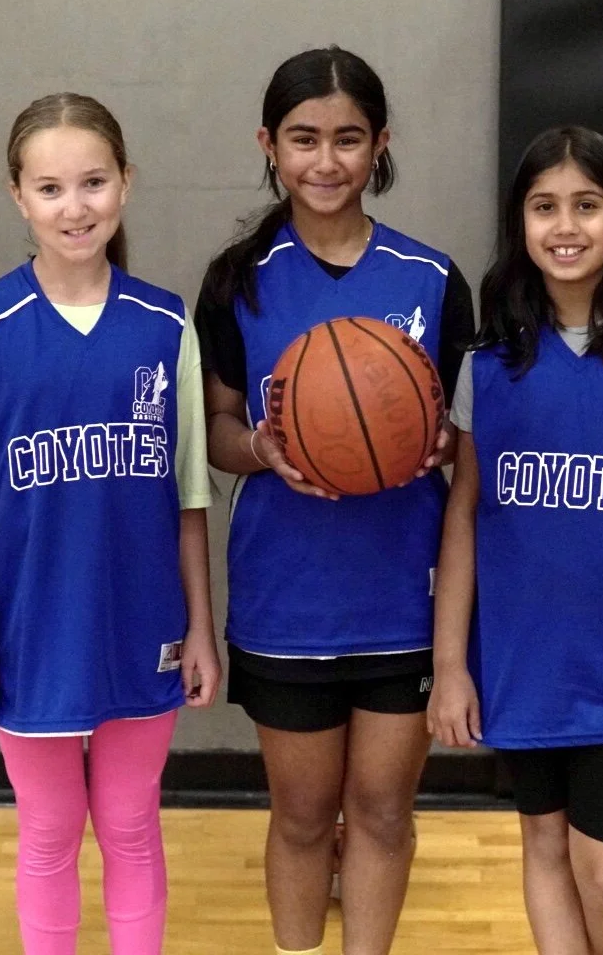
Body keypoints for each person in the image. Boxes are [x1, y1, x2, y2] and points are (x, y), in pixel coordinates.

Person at [0, 93, 219, 955]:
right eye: (50, 188)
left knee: (130, 826)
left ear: (126, 185)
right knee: (48, 834)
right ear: (17, 197)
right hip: (28, 628)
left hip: (140, 619)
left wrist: (201, 625)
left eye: (93, 182)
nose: (74, 207)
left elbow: (188, 498)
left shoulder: (165, 324)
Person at [195, 46, 475, 955]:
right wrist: (268, 452)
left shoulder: (432, 280)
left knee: (384, 812)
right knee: (305, 816)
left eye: (348, 139)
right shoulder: (238, 281)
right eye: (304, 139)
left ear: (380, 145)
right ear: (269, 145)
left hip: (404, 592)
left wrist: (438, 441)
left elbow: (464, 432)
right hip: (288, 598)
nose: (326, 161)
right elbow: (218, 429)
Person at [428, 126, 603, 954]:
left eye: (586, 205)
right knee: (544, 846)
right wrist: (451, 666)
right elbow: (464, 515)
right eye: (544, 206)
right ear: (519, 221)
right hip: (521, 656)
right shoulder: (487, 363)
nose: (565, 225)